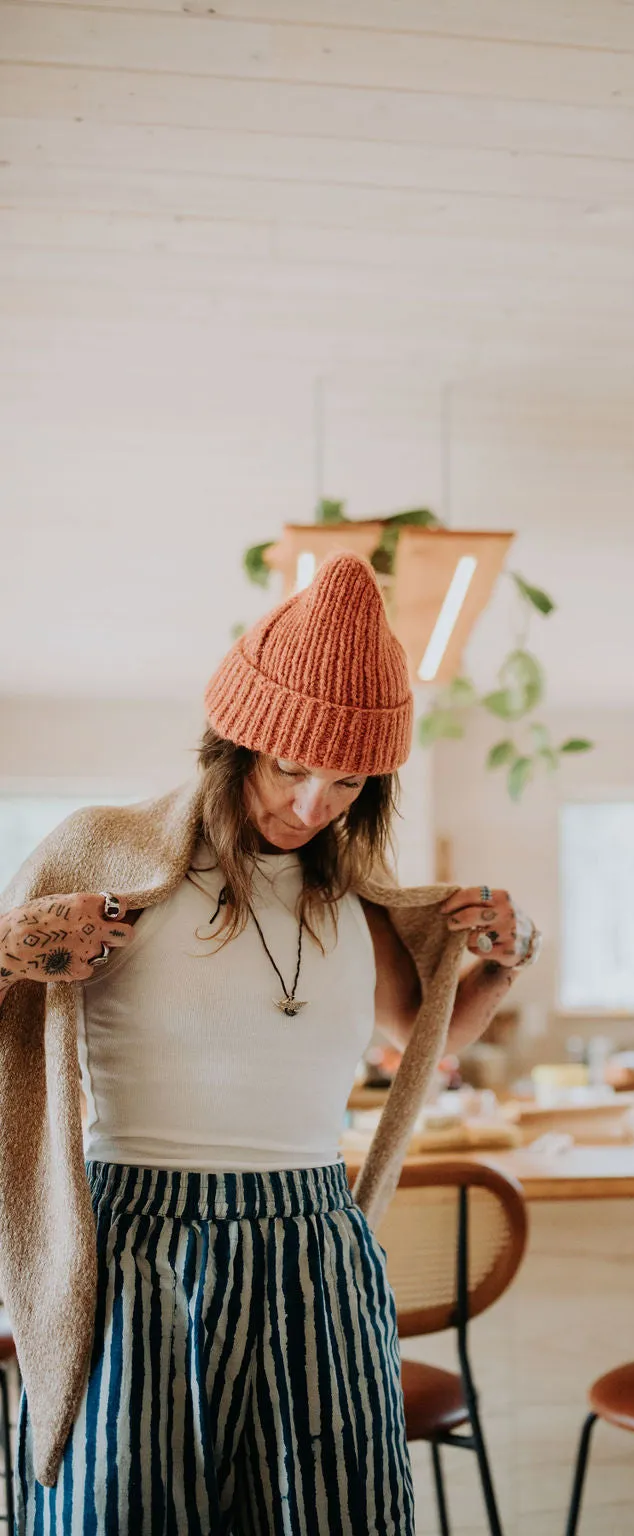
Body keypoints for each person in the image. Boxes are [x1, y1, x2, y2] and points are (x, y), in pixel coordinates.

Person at [0, 553, 539, 1534]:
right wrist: (12, 946)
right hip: (136, 1247)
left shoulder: (358, 897)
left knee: (333, 1516)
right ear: (232, 741)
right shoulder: (101, 851)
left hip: (317, 1246)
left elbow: (419, 1043)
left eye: (347, 782)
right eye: (291, 767)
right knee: (120, 1513)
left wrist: (497, 964)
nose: (310, 804)